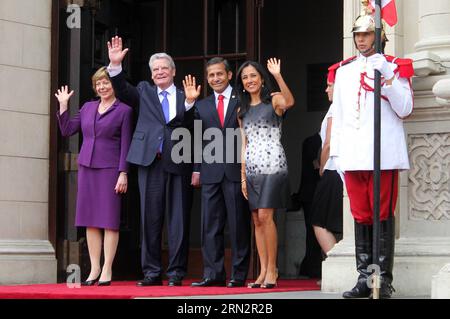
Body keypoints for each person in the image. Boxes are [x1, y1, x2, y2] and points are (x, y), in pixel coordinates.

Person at [330, 4, 414, 298]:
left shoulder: (395, 66)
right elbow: (338, 116)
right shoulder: (344, 72)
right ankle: (365, 278)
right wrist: (337, 156)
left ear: (379, 36)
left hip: (383, 155)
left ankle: (383, 280)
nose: (362, 40)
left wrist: (388, 79)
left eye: (367, 34)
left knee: (381, 214)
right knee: (361, 215)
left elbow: (405, 108)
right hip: (354, 156)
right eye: (358, 35)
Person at [106, 36, 201, 287]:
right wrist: (115, 66)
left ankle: (176, 272)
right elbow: (122, 90)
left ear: (173, 71)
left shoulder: (186, 95)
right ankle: (151, 272)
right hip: (150, 162)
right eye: (155, 69)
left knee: (178, 220)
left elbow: (195, 130)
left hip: (179, 163)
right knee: (150, 218)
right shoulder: (143, 91)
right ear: (151, 74)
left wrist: (191, 104)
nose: (159, 72)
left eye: (164, 68)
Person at [55, 67, 133, 286]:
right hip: (87, 168)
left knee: (109, 221)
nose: (102, 87)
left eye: (106, 82)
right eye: (98, 84)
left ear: (114, 84)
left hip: (110, 170)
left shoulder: (124, 110)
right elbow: (67, 130)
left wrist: (123, 173)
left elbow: (125, 144)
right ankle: (94, 267)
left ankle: (107, 267)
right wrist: (63, 106)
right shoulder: (88, 107)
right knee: (90, 220)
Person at [190, 58, 251, 288]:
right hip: (210, 172)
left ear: (228, 74)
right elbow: (195, 139)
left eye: (219, 74)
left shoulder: (242, 98)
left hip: (236, 170)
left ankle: (238, 274)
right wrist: (196, 169)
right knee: (210, 226)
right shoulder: (201, 105)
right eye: (211, 75)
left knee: (238, 226)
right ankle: (213, 274)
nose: (215, 78)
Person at [237, 59, 295, 289]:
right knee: (256, 220)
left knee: (265, 216)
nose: (250, 80)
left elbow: (290, 101)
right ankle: (262, 271)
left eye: (254, 76)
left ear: (261, 79)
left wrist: (278, 76)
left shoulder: (274, 100)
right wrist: (242, 176)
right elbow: (244, 144)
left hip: (273, 166)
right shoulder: (242, 110)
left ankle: (273, 269)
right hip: (252, 168)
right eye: (245, 77)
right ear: (241, 83)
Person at [311, 81, 343, 259]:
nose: (326, 89)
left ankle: (336, 264)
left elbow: (328, 143)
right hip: (345, 170)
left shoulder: (335, 108)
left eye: (330, 85)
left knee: (319, 221)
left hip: (333, 169)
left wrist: (322, 167)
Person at [297, 132, 323, 279]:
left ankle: (310, 266)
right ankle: (312, 268)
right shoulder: (311, 141)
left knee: (315, 231)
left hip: (315, 193)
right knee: (313, 231)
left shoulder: (311, 140)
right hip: (310, 194)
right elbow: (316, 165)